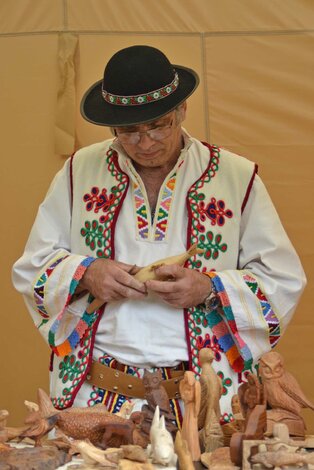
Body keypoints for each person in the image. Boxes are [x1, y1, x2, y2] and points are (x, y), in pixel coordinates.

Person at [12, 45, 306, 425]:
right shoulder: (78, 172)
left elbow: (283, 279)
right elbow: (32, 267)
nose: (145, 143)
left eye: (158, 125)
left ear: (182, 111)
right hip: (95, 396)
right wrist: (87, 273)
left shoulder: (236, 177)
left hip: (204, 400)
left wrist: (208, 287)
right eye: (128, 131)